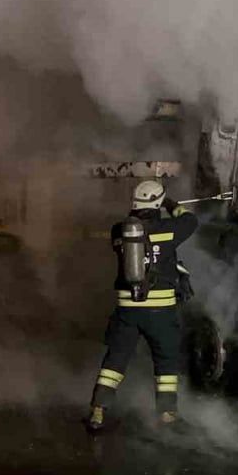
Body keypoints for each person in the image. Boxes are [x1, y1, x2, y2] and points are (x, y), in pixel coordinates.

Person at [86, 180, 198, 433]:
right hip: (160, 311)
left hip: (127, 310)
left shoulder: (119, 231)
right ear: (157, 203)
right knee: (167, 361)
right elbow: (191, 221)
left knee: (115, 359)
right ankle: (168, 415)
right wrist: (172, 204)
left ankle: (98, 411)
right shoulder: (170, 229)